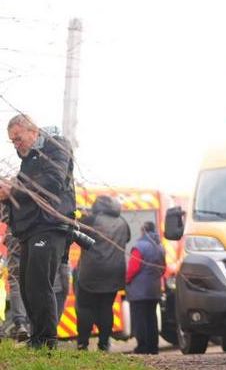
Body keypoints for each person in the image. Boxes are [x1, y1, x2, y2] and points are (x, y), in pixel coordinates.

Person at [0, 114, 76, 350]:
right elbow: (26, 194)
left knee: (39, 284)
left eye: (18, 138)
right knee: (26, 285)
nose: (16, 144)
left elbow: (52, 183)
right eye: (12, 141)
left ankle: (47, 342)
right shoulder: (29, 159)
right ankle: (37, 339)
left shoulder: (56, 147)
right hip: (30, 229)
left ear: (33, 131)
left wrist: (15, 188)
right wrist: (7, 195)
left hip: (50, 224)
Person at [75, 195, 130, 351]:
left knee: (85, 307)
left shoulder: (92, 220)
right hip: (114, 273)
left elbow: (76, 235)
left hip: (91, 273)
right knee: (106, 308)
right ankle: (104, 343)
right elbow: (126, 239)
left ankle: (82, 343)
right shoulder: (123, 222)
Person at [125, 220, 164, 355]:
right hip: (154, 289)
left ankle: (142, 347)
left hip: (139, 291)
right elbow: (163, 268)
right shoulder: (160, 247)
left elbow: (133, 268)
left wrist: (126, 280)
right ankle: (153, 347)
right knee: (151, 318)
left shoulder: (139, 247)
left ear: (143, 231)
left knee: (140, 319)